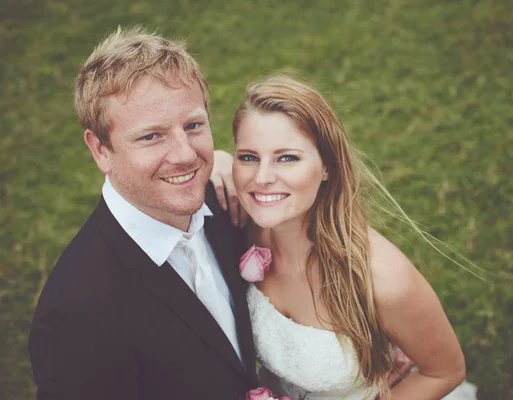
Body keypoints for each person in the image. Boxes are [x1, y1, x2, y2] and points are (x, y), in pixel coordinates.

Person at [28, 27, 257, 400]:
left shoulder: (225, 200)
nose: (185, 154)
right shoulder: (77, 314)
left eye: (193, 125)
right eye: (151, 136)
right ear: (100, 149)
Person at [230, 76, 478, 399]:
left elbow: (445, 371)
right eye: (248, 157)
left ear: (326, 167)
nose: (261, 178)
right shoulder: (240, 227)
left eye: (287, 158)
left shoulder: (383, 278)